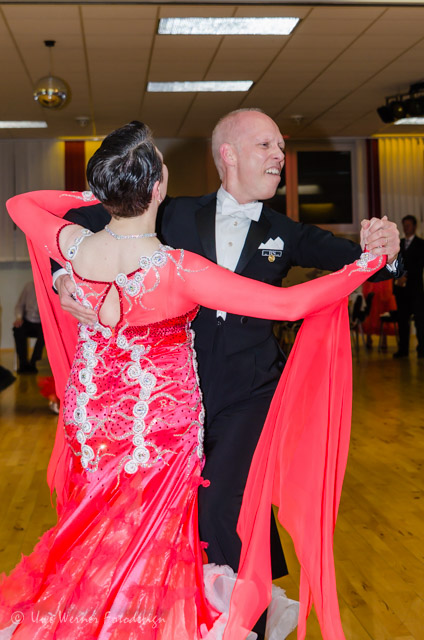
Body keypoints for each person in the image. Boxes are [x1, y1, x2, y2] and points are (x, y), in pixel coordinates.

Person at [2, 121, 390, 640]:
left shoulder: (76, 247)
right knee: (153, 537)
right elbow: (290, 304)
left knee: (103, 528)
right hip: (161, 428)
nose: (277, 153)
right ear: (158, 186)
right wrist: (365, 266)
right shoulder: (177, 268)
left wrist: (100, 193)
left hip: (95, 422)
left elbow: (22, 205)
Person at [393, 214, 424, 358]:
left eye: (408, 225)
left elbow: (418, 265)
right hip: (401, 290)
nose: (406, 228)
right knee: (402, 321)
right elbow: (393, 263)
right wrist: (398, 277)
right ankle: (403, 349)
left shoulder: (421, 244)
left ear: (414, 226)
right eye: (404, 225)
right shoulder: (398, 244)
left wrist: (405, 276)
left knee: (419, 321)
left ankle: (422, 349)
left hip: (415, 289)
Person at [13, 281, 45, 373]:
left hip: (42, 322)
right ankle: (23, 364)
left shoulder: (50, 287)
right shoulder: (29, 286)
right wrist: (19, 317)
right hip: (27, 319)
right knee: (18, 330)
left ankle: (34, 362)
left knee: (45, 334)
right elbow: (20, 305)